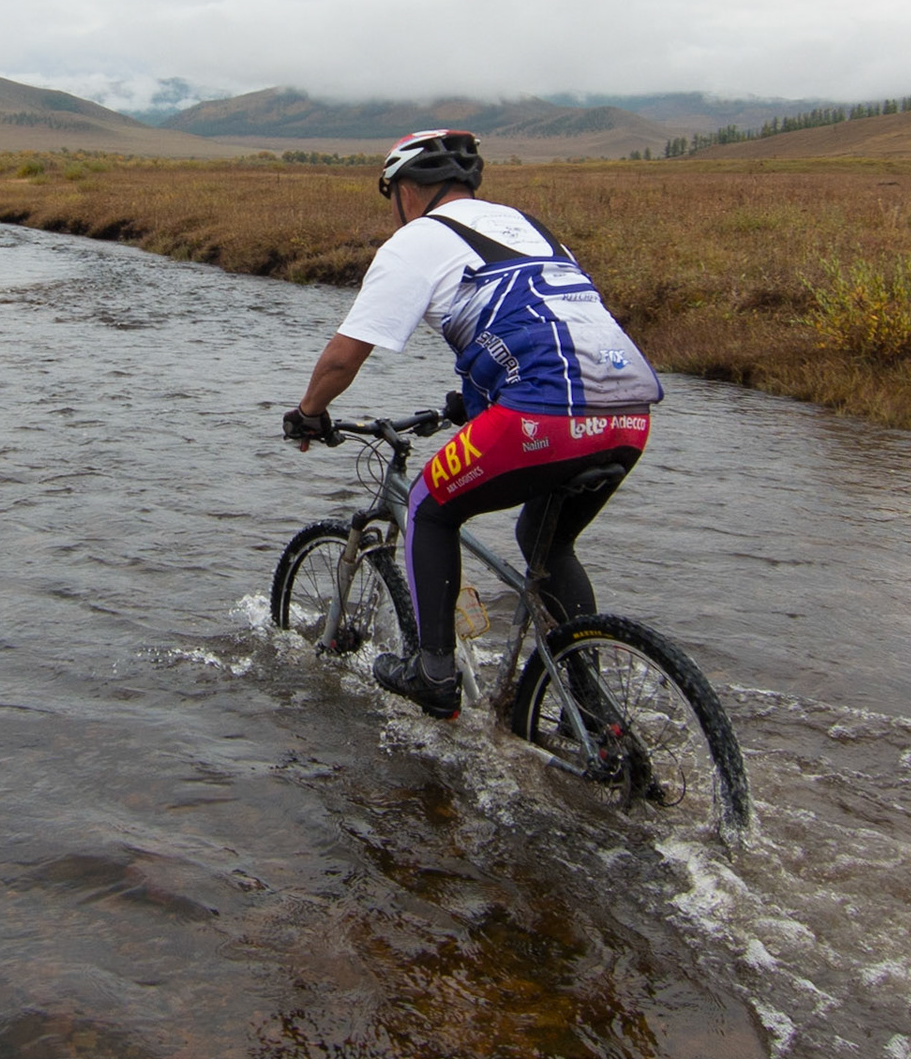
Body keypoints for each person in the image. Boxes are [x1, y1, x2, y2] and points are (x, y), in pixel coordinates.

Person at [282, 130, 664, 719]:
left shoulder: (417, 241)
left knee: (430, 507)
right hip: (628, 412)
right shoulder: (527, 225)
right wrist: (475, 400)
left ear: (406, 191)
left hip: (543, 411)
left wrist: (308, 415)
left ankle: (432, 675)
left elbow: (343, 356)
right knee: (547, 543)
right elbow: (541, 323)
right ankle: (590, 708)